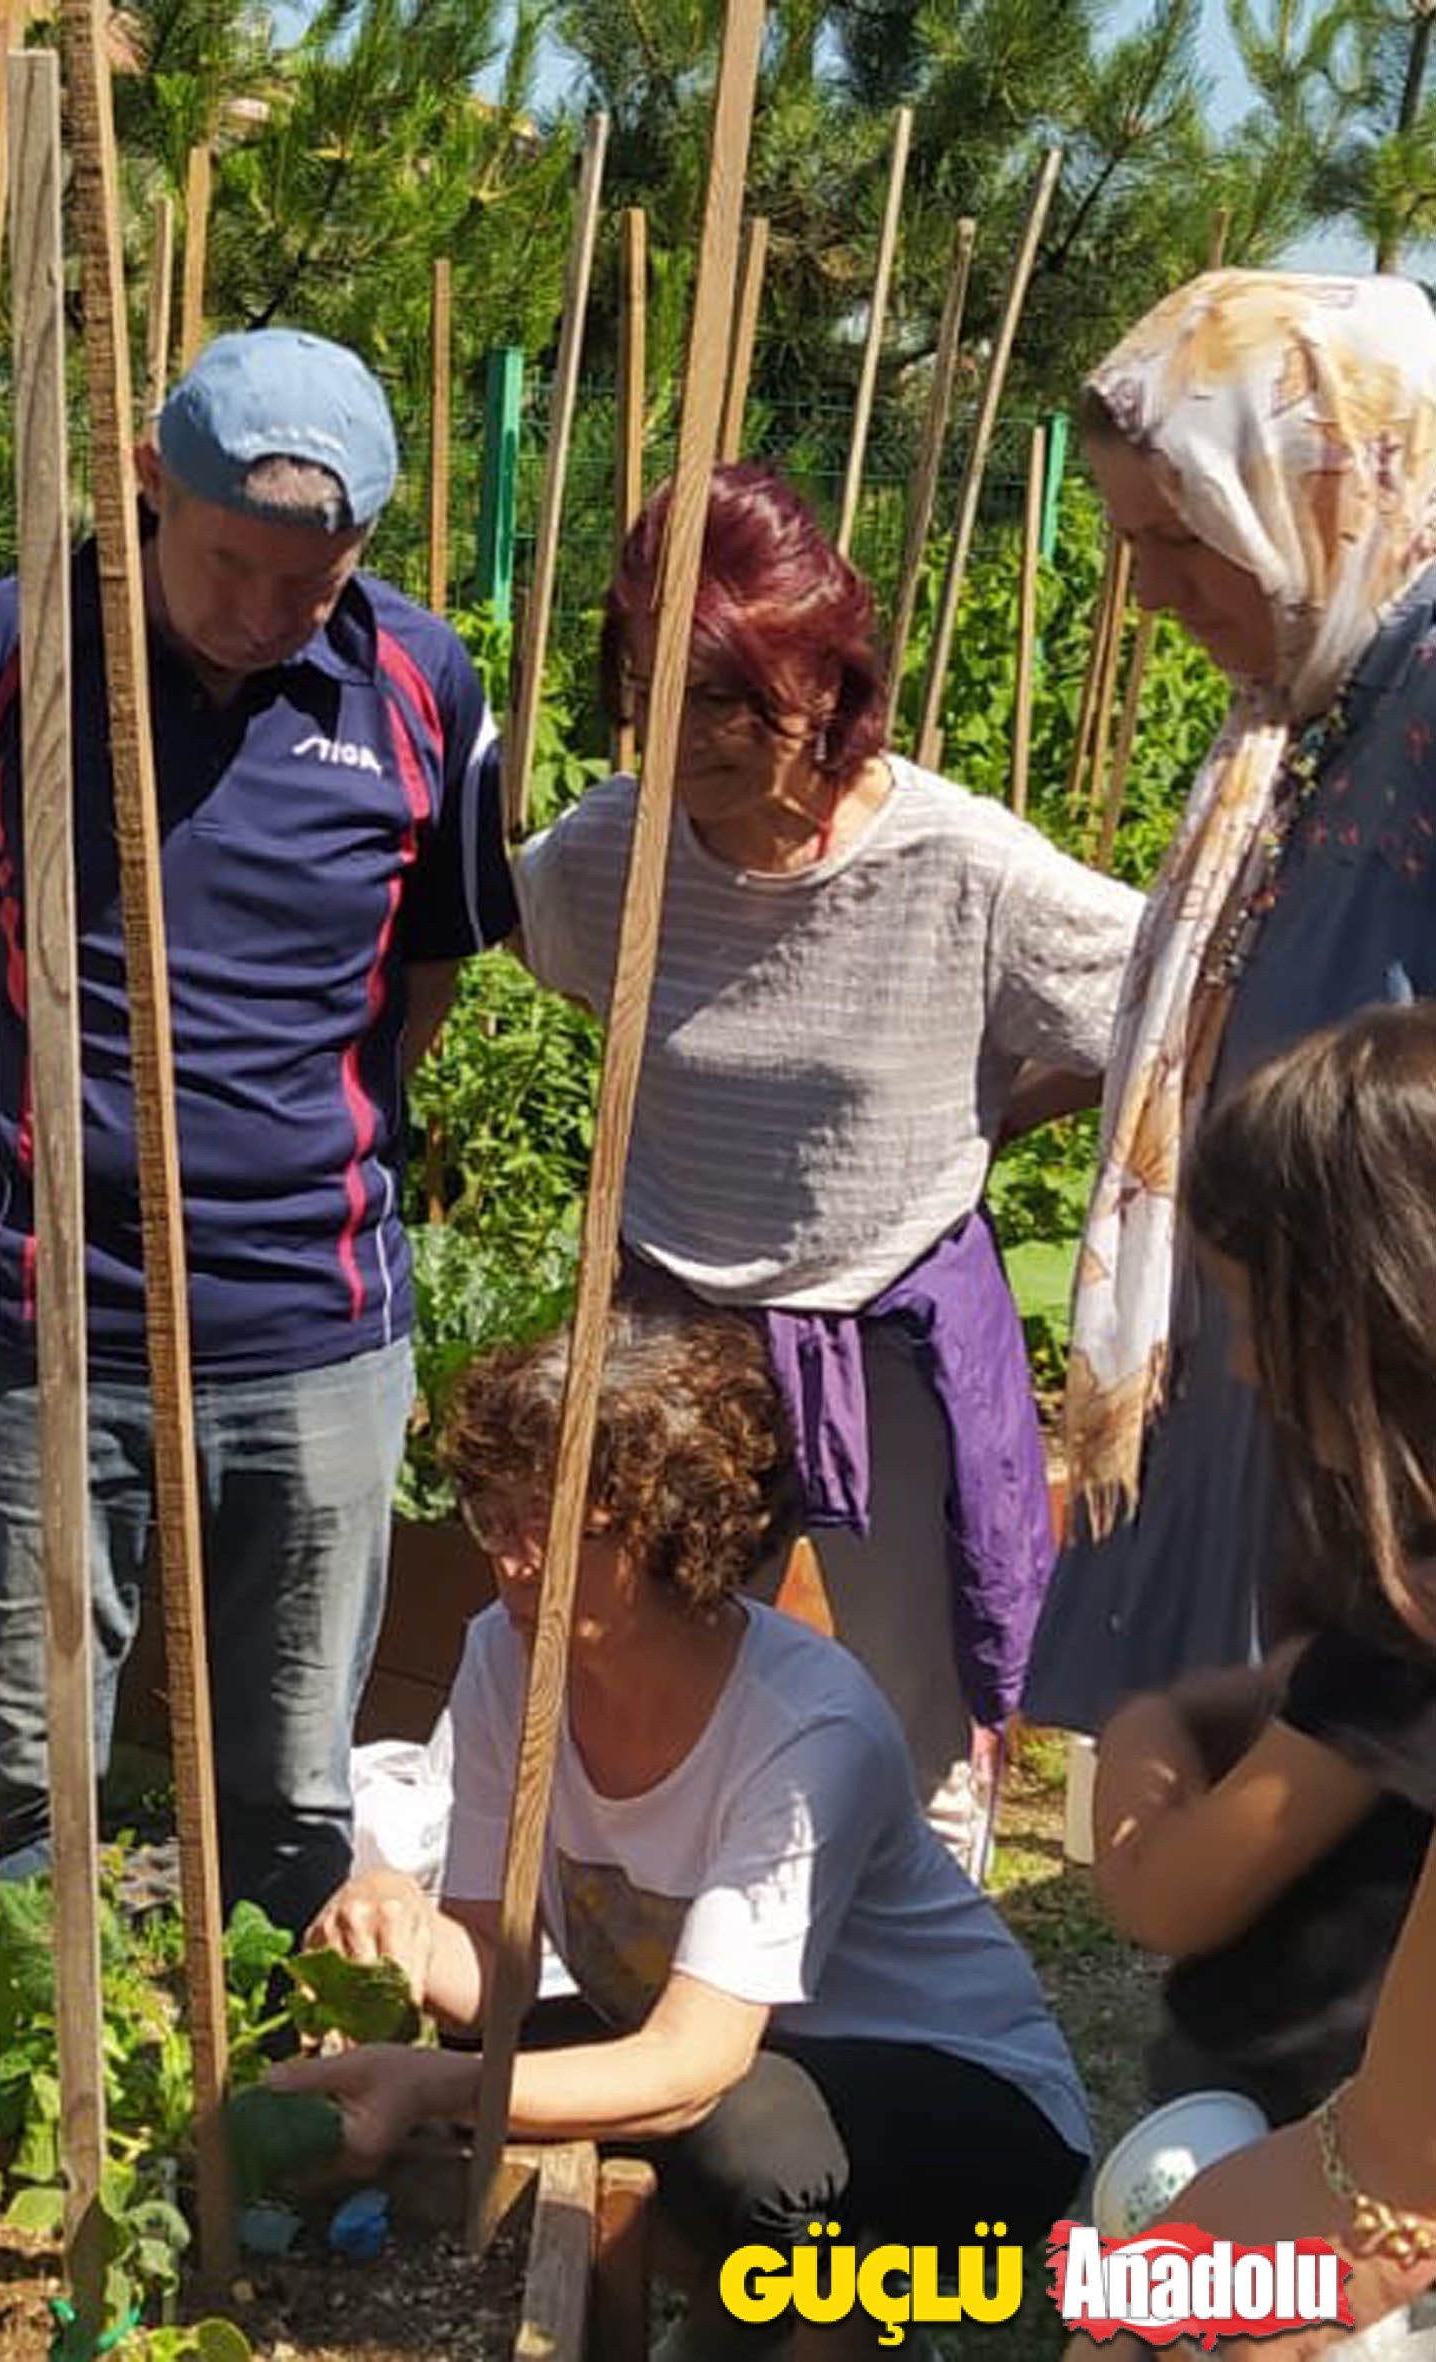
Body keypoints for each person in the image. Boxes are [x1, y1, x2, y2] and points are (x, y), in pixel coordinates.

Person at [0, 326, 518, 1935]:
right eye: (230, 566)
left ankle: (272, 2103)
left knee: (287, 1780)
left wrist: (283, 1141)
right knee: (15, 1763)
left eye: (312, 583)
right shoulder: (10, 650)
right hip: (46, 1308)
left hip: (310, 1324)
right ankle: (1, 2101)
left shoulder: (418, 683)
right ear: (142, 486)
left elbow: (422, 975)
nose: (268, 615)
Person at [514, 464, 1142, 1876]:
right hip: (674, 1327)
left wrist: (976, 1113)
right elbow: (539, 949)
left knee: (907, 1702)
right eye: (660, 694)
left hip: (883, 1334)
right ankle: (652, 1944)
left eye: (740, 698)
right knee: (636, 1652)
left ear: (830, 675)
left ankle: (914, 1994)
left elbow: (1160, 998)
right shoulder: (606, 852)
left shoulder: (956, 865)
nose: (696, 740)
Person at [275, 1311, 1092, 2359]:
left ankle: (857, 2325)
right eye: (495, 1517)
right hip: (746, 2055)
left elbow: (693, 2066)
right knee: (517, 2064)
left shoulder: (806, 1728)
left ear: (681, 1533)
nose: (514, 1564)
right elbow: (499, 1973)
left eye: (557, 1528)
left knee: (748, 2155)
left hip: (966, 2102)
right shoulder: (504, 1660)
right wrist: (396, 1911)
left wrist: (439, 2088)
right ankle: (767, 2312)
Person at [1025, 270, 1436, 1732]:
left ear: (1304, 497)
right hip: (1282, 1346)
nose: (1146, 591)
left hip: (1386, 1375)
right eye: (1128, 541)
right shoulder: (1308, 701)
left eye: (1178, 538)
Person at [1065, 1006, 1436, 2359]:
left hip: (1282, 2103)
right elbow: (1288, 1680)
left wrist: (1141, 1730)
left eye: (1248, 1310)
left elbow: (1166, 1888)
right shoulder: (1390, 1611)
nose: (1236, 1361)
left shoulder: (1410, 1628)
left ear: (1369, 1306)